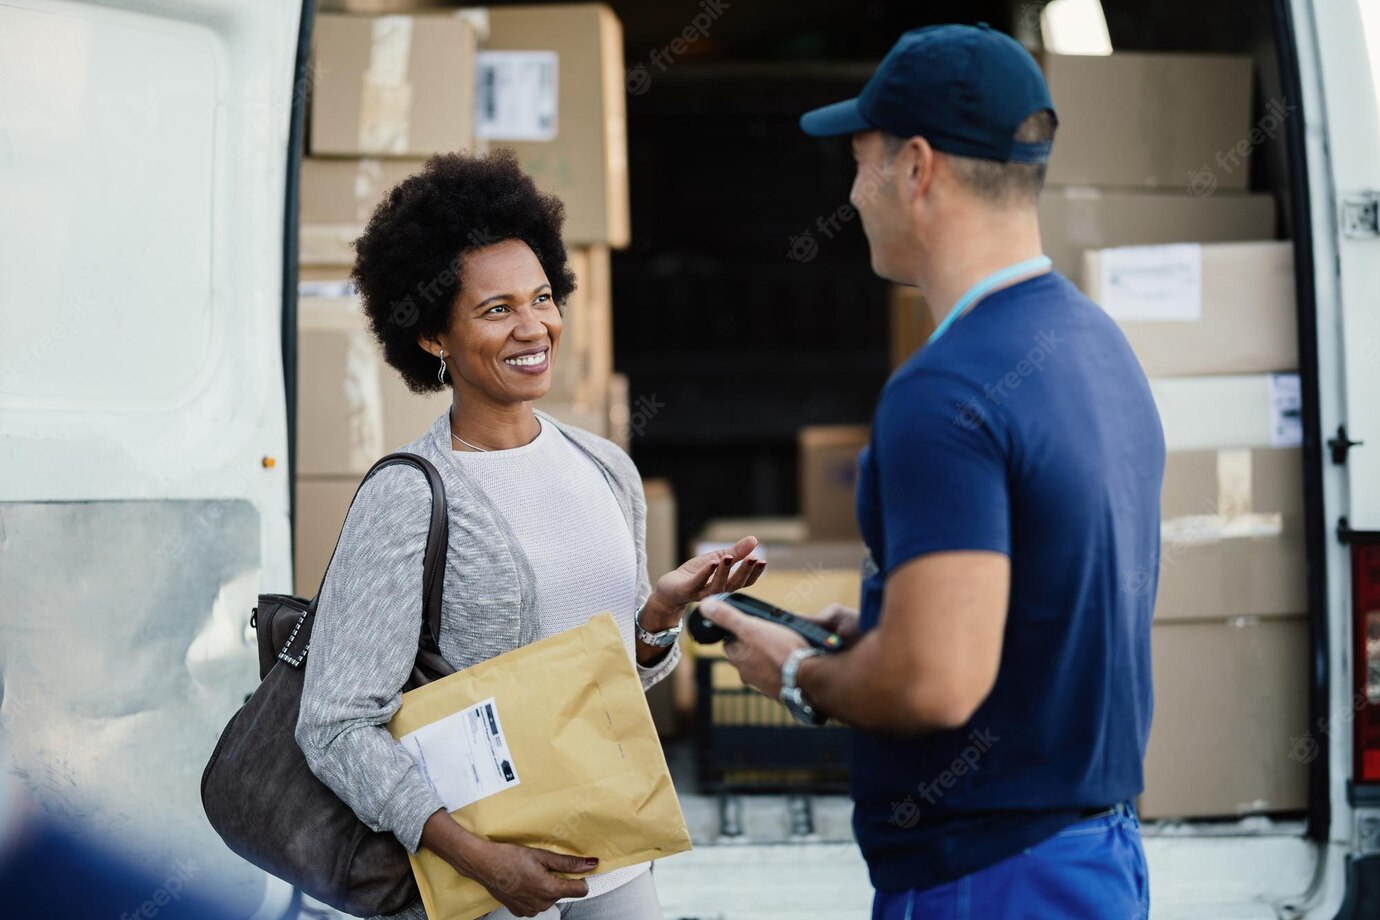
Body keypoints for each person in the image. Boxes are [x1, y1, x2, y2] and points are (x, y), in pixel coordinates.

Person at [702, 23, 1162, 920]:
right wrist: (881, 625)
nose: (851, 189)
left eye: (860, 159)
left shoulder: (944, 390)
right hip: (1094, 854)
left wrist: (800, 674)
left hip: (989, 878)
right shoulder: (1094, 342)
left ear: (916, 168)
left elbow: (935, 683)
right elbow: (1038, 604)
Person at [295, 149, 764, 920]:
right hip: (481, 878)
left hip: (611, 857)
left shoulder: (606, 468)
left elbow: (604, 688)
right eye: (496, 309)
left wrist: (656, 621)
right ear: (433, 338)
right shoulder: (411, 496)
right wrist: (478, 858)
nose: (533, 326)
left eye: (542, 297)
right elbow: (336, 724)